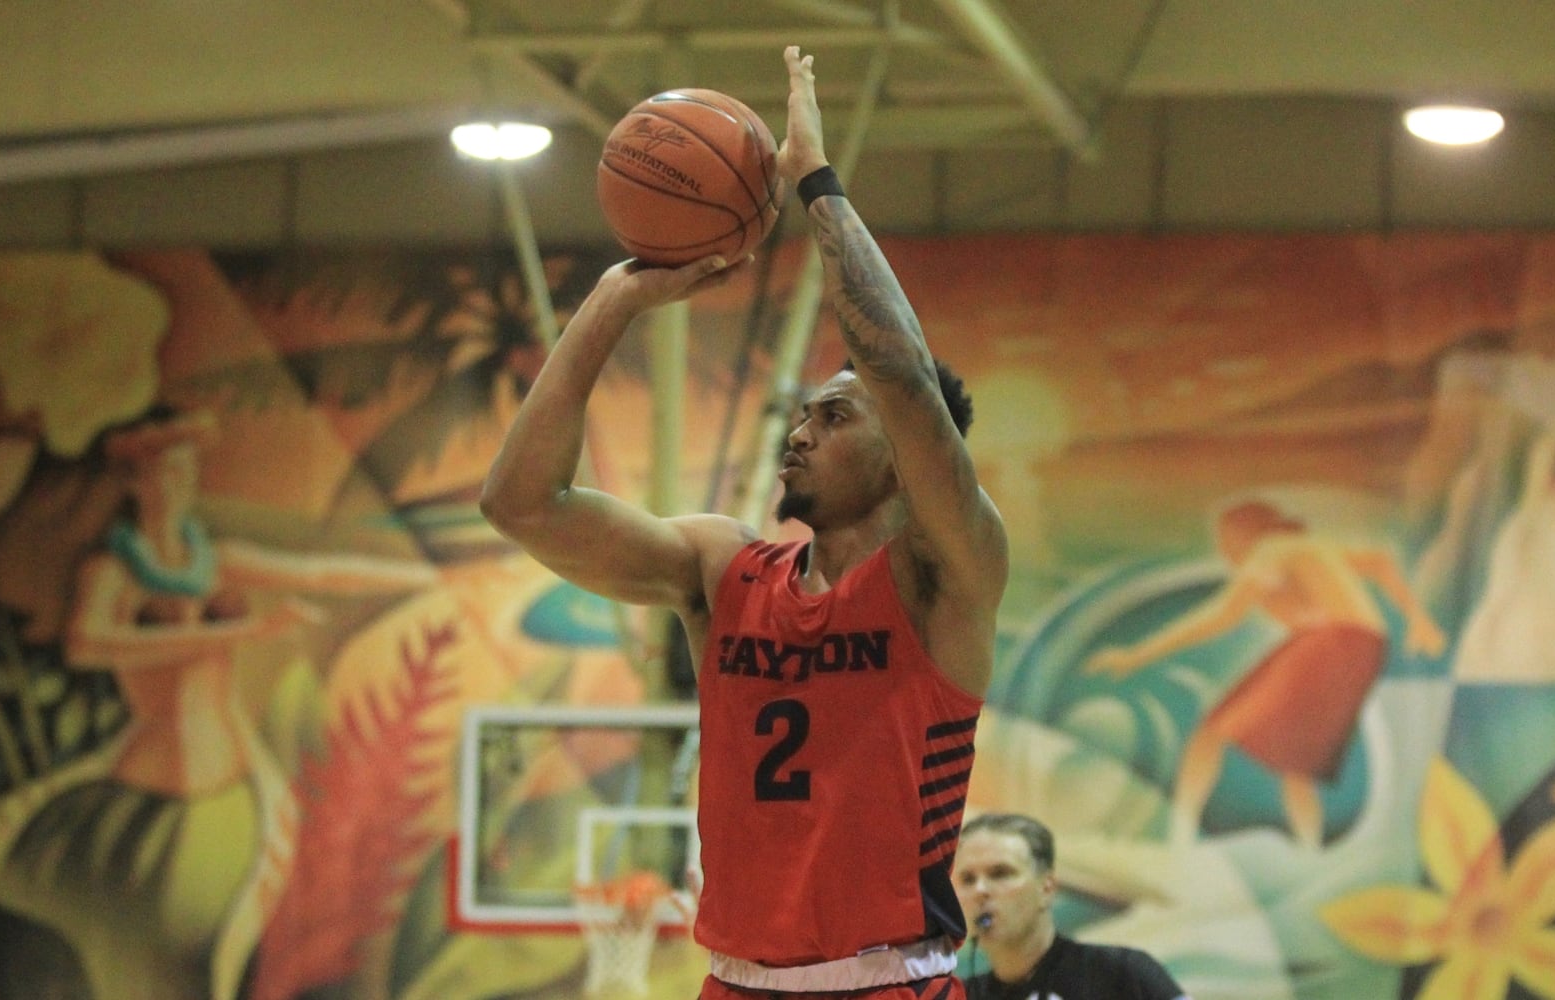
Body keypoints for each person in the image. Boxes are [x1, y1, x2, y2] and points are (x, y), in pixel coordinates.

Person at [480, 45, 1008, 999]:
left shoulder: (944, 575)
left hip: (890, 983)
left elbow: (897, 370)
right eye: (802, 413)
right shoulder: (720, 570)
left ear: (904, 452)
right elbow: (520, 504)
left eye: (833, 417)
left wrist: (813, 181)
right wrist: (616, 298)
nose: (799, 432)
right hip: (732, 981)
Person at [1086, 499, 1446, 850]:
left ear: (1247, 534)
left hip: (1329, 642)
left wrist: (1136, 655)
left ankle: (1177, 835)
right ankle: (1308, 847)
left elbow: (1223, 614)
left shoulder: (1271, 549)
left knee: (1211, 733)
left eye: (1226, 540)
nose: (1224, 551)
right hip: (1364, 648)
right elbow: (1381, 561)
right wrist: (1419, 619)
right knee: (1295, 766)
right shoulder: (1305, 547)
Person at [954, 813, 1189, 1000]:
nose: (980, 890)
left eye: (1000, 873)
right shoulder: (958, 996)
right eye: (967, 879)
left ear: (1047, 888)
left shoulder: (1121, 974)